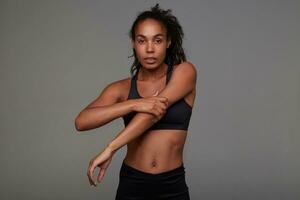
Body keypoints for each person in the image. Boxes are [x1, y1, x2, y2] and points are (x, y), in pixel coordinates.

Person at [75, 3, 197, 200]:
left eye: (157, 40)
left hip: (172, 185)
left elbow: (154, 111)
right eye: (142, 41)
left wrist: (110, 148)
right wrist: (133, 104)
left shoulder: (184, 72)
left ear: (168, 42)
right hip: (133, 183)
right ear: (134, 43)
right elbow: (81, 122)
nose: (150, 49)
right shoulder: (121, 89)